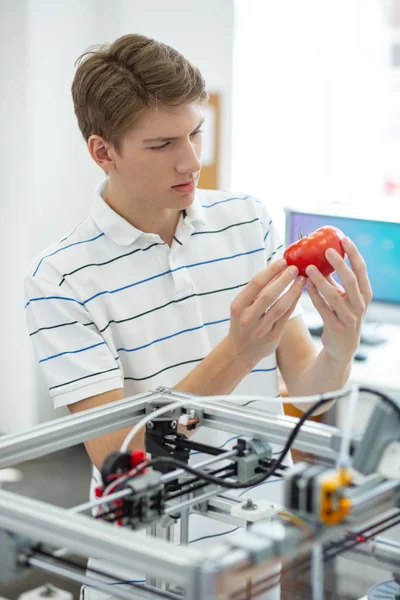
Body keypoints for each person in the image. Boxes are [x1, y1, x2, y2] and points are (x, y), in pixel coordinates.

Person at [24, 33, 372, 600]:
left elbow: (308, 391)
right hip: (141, 573)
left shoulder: (248, 220)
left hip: (254, 548)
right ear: (102, 152)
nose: (192, 160)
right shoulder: (59, 279)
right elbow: (123, 459)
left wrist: (340, 344)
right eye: (162, 144)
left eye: (195, 131)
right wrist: (237, 353)